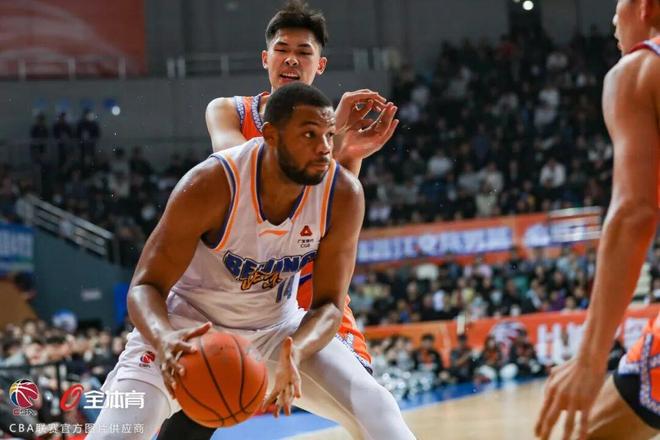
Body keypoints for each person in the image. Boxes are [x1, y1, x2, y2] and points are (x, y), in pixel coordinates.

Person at [87, 83, 414, 440]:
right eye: (309, 135)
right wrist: (164, 339)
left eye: (329, 135)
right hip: (185, 331)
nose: (324, 148)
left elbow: (330, 306)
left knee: (375, 405)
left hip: (276, 333)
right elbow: (145, 286)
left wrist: (296, 350)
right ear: (271, 136)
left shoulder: (343, 194)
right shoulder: (211, 183)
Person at [158, 3, 399, 438]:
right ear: (265, 58)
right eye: (282, 49)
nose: (291, 59)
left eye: (304, 52)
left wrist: (345, 151)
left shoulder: (329, 135)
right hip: (233, 293)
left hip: (305, 288)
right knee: (196, 413)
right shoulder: (229, 111)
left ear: (320, 65)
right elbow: (242, 170)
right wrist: (334, 139)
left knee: (368, 404)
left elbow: (329, 207)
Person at [535, 1, 660, 439]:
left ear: (645, 6)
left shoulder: (639, 71)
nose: (612, 18)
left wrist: (590, 358)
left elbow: (634, 213)